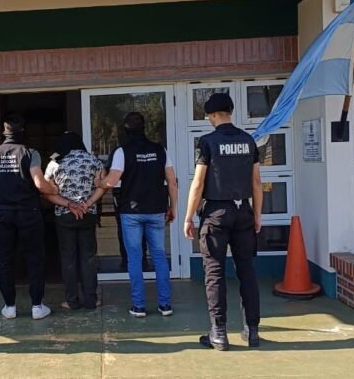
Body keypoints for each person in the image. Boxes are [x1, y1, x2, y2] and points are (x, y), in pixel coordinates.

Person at [183, 92, 263, 351]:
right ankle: (252, 331)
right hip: (243, 212)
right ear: (230, 111)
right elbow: (256, 182)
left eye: (208, 115)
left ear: (213, 115)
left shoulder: (208, 142)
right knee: (247, 271)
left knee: (214, 272)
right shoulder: (248, 140)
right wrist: (257, 215)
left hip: (216, 214)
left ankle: (218, 332)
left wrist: (188, 217)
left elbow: (198, 183)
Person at [99, 112, 178, 318]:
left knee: (135, 258)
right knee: (159, 256)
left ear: (126, 129)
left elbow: (111, 181)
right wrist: (173, 207)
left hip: (131, 212)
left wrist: (99, 181)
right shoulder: (160, 150)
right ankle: (165, 305)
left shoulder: (122, 151)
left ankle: (139, 306)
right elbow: (172, 181)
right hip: (157, 209)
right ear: (144, 127)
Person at [0, 114, 57, 320]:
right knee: (34, 258)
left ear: (3, 132)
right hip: (28, 212)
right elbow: (39, 184)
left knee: (5, 260)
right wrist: (54, 190)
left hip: (3, 213)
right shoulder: (30, 152)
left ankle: (9, 307)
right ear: (22, 132)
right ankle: (37, 306)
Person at [43, 132, 106, 310]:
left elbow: (45, 191)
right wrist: (87, 204)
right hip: (88, 214)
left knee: (68, 258)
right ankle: (91, 300)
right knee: (88, 257)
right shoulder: (94, 161)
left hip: (64, 215)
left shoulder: (54, 163)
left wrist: (69, 204)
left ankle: (71, 300)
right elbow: (103, 186)